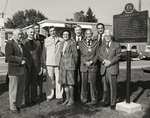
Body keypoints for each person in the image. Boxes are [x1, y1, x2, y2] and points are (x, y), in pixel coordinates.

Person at [97, 30, 121, 110]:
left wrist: (110, 62)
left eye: (108, 35)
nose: (107, 37)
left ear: (111, 36)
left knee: (113, 87)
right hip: (104, 68)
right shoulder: (102, 45)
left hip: (112, 68)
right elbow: (99, 55)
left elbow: (118, 56)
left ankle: (112, 103)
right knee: (105, 87)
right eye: (105, 36)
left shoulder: (116, 45)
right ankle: (106, 101)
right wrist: (103, 61)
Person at [5, 29, 26, 112]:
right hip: (14, 71)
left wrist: (24, 59)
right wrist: (20, 60)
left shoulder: (21, 44)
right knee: (13, 90)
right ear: (13, 35)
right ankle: (13, 107)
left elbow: (23, 55)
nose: (20, 36)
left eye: (21, 34)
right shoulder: (9, 43)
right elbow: (8, 57)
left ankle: (18, 105)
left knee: (20, 89)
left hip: (21, 70)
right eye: (18, 34)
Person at [43, 26, 64, 101]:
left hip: (58, 62)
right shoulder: (46, 40)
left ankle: (59, 95)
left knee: (59, 80)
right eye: (51, 31)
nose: (53, 32)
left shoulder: (61, 40)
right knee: (49, 80)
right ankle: (49, 95)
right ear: (49, 32)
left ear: (56, 31)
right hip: (49, 62)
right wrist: (44, 63)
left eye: (54, 31)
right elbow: (44, 53)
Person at [79, 29, 99, 105]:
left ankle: (94, 99)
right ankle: (84, 98)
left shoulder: (96, 43)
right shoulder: (81, 43)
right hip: (84, 66)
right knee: (84, 83)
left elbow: (97, 54)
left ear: (92, 34)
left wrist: (91, 61)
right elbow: (80, 55)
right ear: (85, 34)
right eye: (87, 33)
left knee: (92, 83)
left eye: (90, 33)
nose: (89, 35)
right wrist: (85, 62)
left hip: (93, 65)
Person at [23, 28, 43, 106]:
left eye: (33, 32)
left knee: (34, 84)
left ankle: (33, 99)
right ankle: (27, 101)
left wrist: (41, 66)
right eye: (30, 32)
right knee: (26, 84)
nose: (32, 33)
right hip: (26, 66)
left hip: (36, 66)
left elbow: (40, 55)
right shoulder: (23, 42)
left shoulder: (38, 43)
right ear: (27, 33)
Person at [59, 30, 78, 106]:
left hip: (70, 66)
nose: (65, 35)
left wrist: (74, 64)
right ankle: (67, 99)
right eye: (64, 34)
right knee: (65, 83)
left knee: (70, 83)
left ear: (69, 35)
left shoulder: (72, 43)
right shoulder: (62, 43)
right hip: (63, 66)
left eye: (67, 34)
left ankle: (71, 99)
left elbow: (76, 55)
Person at [33, 23, 46, 101]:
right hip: (33, 62)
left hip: (40, 61)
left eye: (38, 28)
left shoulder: (43, 38)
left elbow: (44, 51)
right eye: (35, 28)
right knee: (33, 81)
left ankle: (40, 94)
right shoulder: (30, 38)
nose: (37, 30)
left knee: (40, 80)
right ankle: (34, 95)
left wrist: (43, 64)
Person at [72, 25, 83, 102]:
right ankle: (75, 95)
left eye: (79, 30)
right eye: (76, 30)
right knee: (74, 78)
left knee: (83, 78)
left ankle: (82, 94)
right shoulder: (72, 39)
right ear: (74, 31)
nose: (78, 31)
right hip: (74, 61)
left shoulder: (84, 39)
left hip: (82, 61)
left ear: (81, 31)